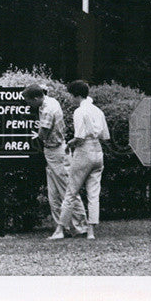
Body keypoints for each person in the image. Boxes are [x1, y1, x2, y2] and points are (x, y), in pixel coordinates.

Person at [23, 83, 88, 236]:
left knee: (67, 190)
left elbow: (43, 133)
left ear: (37, 98)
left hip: (56, 151)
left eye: (29, 101)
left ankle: (81, 226)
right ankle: (63, 227)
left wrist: (36, 135)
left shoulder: (47, 109)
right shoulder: (52, 102)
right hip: (53, 151)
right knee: (54, 194)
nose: (29, 105)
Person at [49, 79, 110, 241]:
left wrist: (70, 144)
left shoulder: (79, 112)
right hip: (98, 152)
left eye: (71, 96)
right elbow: (105, 136)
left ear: (76, 95)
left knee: (71, 191)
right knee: (93, 194)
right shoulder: (98, 110)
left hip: (84, 151)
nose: (71, 99)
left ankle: (60, 229)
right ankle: (90, 232)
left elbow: (79, 136)